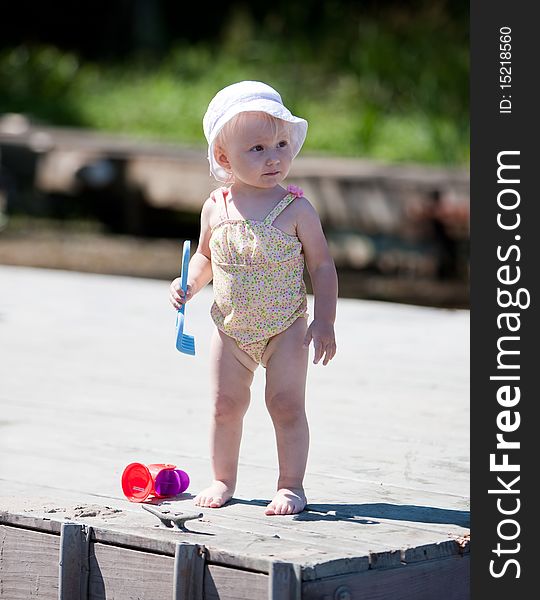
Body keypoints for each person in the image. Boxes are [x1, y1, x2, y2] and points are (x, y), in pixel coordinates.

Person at [169, 81, 338, 515]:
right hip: (230, 328)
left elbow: (321, 267)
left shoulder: (296, 209)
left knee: (284, 404)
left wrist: (324, 321)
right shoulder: (216, 207)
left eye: (281, 144)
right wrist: (187, 282)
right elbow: (206, 256)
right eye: (258, 149)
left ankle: (290, 485)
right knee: (225, 405)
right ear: (224, 158)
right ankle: (223, 479)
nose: (275, 157)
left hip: (286, 327)